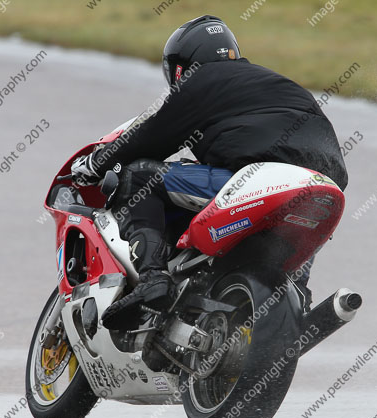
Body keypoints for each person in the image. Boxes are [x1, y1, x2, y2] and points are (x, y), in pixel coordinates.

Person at [70, 14, 348, 330]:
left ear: (180, 66)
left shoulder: (203, 80)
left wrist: (96, 164)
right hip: (322, 187)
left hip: (257, 179)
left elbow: (151, 137)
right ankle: (297, 302)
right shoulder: (284, 86)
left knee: (141, 176)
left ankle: (152, 278)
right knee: (295, 231)